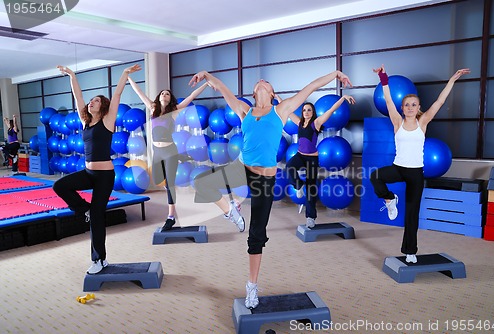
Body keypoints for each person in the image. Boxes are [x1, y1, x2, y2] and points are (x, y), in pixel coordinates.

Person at [188, 69, 352, 309]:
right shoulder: (245, 110)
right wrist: (206, 76)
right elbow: (223, 90)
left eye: (266, 82)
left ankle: (252, 287)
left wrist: (335, 74)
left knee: (256, 235)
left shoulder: (281, 110)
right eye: (259, 83)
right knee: (203, 183)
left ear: (271, 92)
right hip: (243, 167)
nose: (261, 82)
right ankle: (230, 211)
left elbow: (311, 86)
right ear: (255, 92)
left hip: (265, 179)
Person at [370, 65, 470, 264]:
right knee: (376, 177)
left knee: (412, 214)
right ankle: (390, 200)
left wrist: (452, 80)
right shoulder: (397, 122)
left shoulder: (423, 122)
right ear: (402, 108)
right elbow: (388, 100)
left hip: (416, 173)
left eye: (413, 105)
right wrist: (383, 77)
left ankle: (410, 251)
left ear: (418, 107)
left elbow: (440, 101)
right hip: (399, 168)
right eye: (407, 105)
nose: (409, 108)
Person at [53, 63, 141, 274]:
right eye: (92, 100)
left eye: (97, 101)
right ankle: (85, 210)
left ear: (102, 107)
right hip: (88, 172)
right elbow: (77, 95)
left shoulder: (108, 121)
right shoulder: (85, 122)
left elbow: (118, 94)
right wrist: (71, 75)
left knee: (98, 215)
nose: (92, 102)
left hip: (104, 176)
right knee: (60, 186)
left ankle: (99, 259)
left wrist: (124, 74)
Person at [127, 74, 211, 232]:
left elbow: (192, 96)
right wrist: (128, 77)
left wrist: (206, 84)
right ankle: (180, 160)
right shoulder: (152, 108)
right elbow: (139, 92)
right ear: (159, 97)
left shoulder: (175, 110)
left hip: (169, 150)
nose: (165, 95)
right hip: (156, 151)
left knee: (170, 183)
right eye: (163, 93)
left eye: (167, 93)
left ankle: (171, 216)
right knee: (159, 178)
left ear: (170, 98)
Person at [285, 96, 355, 228]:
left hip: (311, 159)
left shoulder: (316, 123)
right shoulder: (299, 122)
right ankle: (299, 185)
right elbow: (287, 110)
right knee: (289, 167)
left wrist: (343, 98)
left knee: (311, 188)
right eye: (304, 110)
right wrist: (275, 97)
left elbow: (331, 109)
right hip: (300, 156)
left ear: (313, 112)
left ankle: (310, 217)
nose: (306, 112)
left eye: (309, 110)